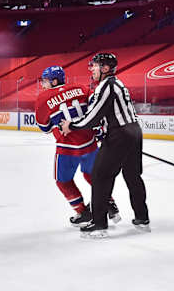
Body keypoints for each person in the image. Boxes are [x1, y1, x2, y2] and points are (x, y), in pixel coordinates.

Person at [60, 53, 149, 238]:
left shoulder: (106, 86)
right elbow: (108, 115)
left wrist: (72, 125)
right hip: (133, 131)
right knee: (132, 176)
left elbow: (92, 117)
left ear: (105, 69)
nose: (91, 69)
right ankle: (142, 216)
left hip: (120, 135)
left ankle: (99, 223)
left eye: (94, 66)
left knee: (99, 175)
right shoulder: (118, 83)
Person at [35, 66, 121, 228]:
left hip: (67, 147)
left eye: (45, 81)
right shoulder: (80, 88)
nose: (43, 85)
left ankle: (82, 212)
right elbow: (96, 109)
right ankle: (109, 203)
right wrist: (99, 129)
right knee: (93, 175)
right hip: (89, 142)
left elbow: (45, 128)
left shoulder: (42, 98)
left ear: (54, 81)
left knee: (63, 181)